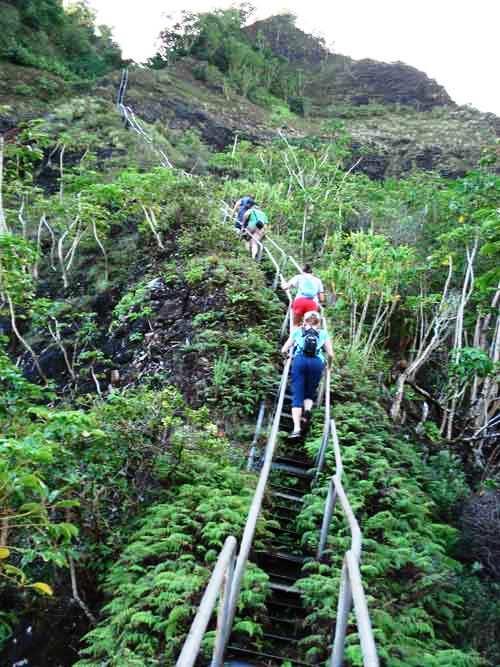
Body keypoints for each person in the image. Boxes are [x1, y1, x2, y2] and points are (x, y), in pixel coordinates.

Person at [281, 310, 334, 439]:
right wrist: (329, 366)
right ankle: (308, 411)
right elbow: (331, 354)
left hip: (300, 361)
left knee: (298, 395)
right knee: (309, 392)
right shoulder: (323, 333)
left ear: (304, 321)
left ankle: (296, 429)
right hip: (317, 363)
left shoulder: (298, 331)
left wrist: (286, 357)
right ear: (319, 322)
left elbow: (284, 349)